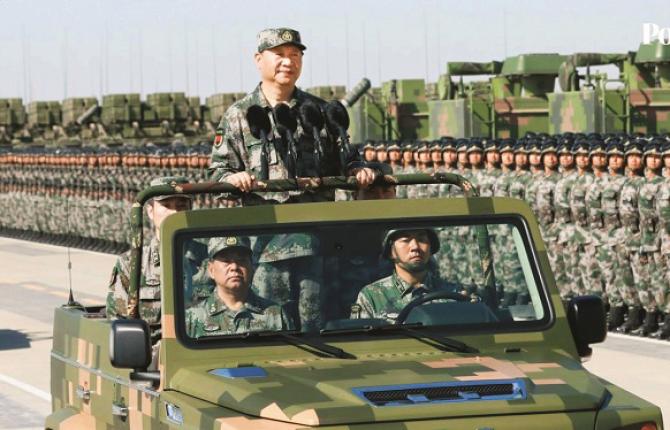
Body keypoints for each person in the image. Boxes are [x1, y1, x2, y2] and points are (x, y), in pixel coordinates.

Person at [209, 27, 375, 204]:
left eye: (294, 55)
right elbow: (218, 173)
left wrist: (357, 169)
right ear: (259, 60)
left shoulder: (320, 111)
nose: (288, 62)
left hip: (316, 224)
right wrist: (231, 179)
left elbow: (349, 159)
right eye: (279, 54)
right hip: (264, 225)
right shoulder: (239, 115)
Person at [105, 176, 195, 341]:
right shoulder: (132, 264)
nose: (174, 212)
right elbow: (119, 323)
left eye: (181, 206)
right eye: (166, 206)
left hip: (203, 351)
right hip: (152, 356)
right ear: (150, 211)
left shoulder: (212, 260)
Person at [185, 236, 292, 337]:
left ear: (252, 267)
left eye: (241, 260)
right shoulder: (193, 317)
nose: (234, 267)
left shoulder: (276, 314)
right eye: (226, 261)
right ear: (211, 270)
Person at [351, 228, 459, 321]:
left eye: (421, 239)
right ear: (391, 251)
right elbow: (362, 342)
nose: (415, 247)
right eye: (405, 240)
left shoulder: (453, 293)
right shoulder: (372, 296)